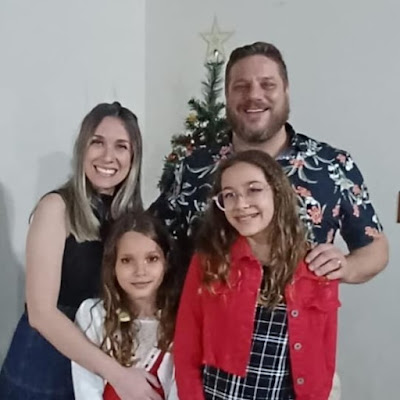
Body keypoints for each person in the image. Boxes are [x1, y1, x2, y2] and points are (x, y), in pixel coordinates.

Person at [150, 41, 388, 399]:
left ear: (286, 90)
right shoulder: (195, 167)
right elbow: (153, 239)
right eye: (241, 86)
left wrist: (347, 266)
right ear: (227, 96)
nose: (254, 95)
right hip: (216, 366)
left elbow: (376, 248)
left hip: (301, 366)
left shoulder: (332, 167)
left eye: (267, 84)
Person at [0, 102, 160, 400]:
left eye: (121, 146)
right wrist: (117, 374)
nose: (108, 156)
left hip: (95, 366)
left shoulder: (129, 219)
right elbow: (41, 314)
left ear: (133, 157)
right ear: (82, 148)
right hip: (45, 366)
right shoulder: (55, 208)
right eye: (97, 142)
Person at [174, 150, 340, 399]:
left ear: (277, 192)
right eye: (229, 194)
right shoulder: (209, 261)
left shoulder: (316, 266)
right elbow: (186, 346)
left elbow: (325, 353)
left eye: (253, 189)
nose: (241, 204)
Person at [72, 212, 179, 400]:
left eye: (152, 259)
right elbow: (85, 388)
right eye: (127, 260)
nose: (140, 271)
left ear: (166, 262)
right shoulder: (93, 315)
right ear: (113, 265)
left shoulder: (178, 321)